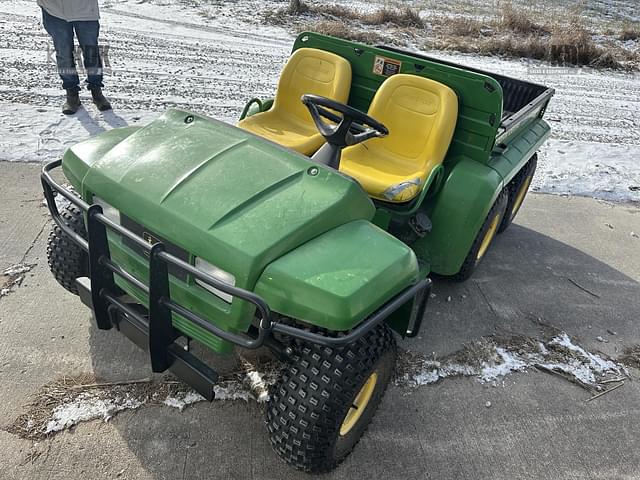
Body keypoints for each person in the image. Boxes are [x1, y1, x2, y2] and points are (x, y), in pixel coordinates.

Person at [38, 0, 111, 114]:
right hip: (53, 10)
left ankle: (96, 91)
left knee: (91, 52)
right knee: (63, 54)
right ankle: (72, 94)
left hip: (85, 10)